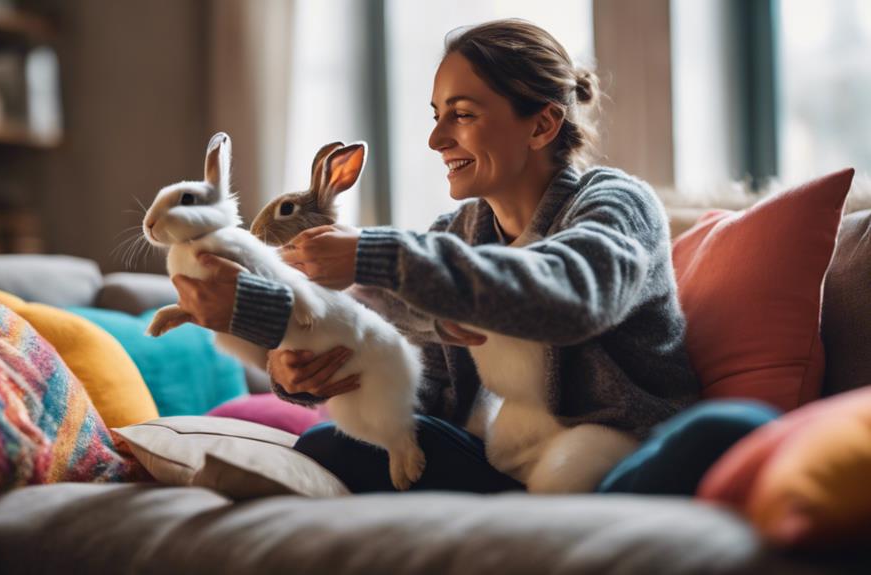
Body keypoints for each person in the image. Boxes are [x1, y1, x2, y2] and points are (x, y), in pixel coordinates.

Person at [171, 19, 775, 495]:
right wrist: (285, 362)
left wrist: (377, 254)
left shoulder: (618, 204)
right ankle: (524, 519)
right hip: (499, 466)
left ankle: (576, 514)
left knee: (729, 430)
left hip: (614, 450)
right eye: (436, 117)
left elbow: (570, 297)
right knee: (332, 447)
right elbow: (379, 347)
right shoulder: (454, 237)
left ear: (541, 126)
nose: (436, 140)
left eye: (461, 115)